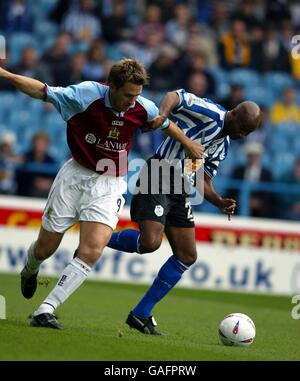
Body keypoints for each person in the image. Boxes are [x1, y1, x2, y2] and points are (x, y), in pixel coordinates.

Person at [0, 58, 204, 329]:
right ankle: (31, 269)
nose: (133, 101)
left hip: (110, 184)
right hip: (75, 176)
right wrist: (3, 73)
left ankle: (45, 309)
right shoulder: (84, 95)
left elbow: (164, 123)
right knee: (45, 248)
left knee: (92, 249)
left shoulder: (142, 106)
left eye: (138, 95)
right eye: (129, 95)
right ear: (112, 87)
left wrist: (188, 143)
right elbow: (41, 91)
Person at [107, 89, 262, 334]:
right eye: (242, 127)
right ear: (233, 114)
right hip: (158, 173)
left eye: (248, 132)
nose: (243, 134)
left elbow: (203, 178)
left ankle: (140, 314)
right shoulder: (209, 112)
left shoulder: (223, 144)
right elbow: (175, 96)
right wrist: (162, 115)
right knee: (150, 242)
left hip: (180, 186)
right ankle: (98, 237)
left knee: (187, 255)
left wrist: (219, 201)